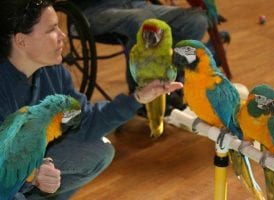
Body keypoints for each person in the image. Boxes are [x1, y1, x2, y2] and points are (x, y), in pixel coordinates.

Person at [0, 0, 183, 199]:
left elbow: (84, 121)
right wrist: (31, 177)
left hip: (27, 160)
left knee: (98, 151)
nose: (62, 36)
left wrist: (138, 98)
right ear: (21, 41)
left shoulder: (54, 73)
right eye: (52, 30)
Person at [69, 0, 209, 111]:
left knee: (196, 20)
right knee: (144, 22)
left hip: (139, 5)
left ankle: (165, 81)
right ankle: (142, 92)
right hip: (97, 10)